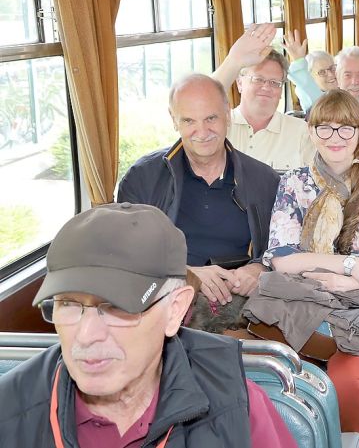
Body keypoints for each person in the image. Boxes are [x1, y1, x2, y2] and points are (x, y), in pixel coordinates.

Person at [0, 203, 297, 447]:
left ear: (175, 311)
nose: (87, 336)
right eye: (68, 304)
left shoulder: (238, 410)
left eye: (116, 307)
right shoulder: (9, 411)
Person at [263, 91, 359, 448]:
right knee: (268, 372)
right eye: (324, 128)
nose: (335, 139)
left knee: (349, 378)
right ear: (311, 133)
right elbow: (281, 257)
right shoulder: (294, 185)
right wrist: (351, 266)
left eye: (346, 129)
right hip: (303, 305)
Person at [117, 74, 280, 306]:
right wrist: (185, 274)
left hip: (244, 306)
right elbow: (123, 253)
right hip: (167, 300)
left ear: (228, 114)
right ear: (174, 120)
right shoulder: (143, 178)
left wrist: (260, 267)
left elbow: (284, 247)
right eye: (189, 121)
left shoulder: (265, 181)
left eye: (211, 118)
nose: (202, 132)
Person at [227, 48, 316, 171]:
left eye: (274, 83)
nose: (266, 87)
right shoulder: (221, 127)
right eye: (258, 79)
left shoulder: (302, 133)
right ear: (239, 83)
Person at [282, 29, 338, 111]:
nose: (331, 74)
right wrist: (298, 60)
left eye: (332, 68)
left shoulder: (344, 92)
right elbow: (305, 84)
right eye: (322, 72)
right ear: (310, 77)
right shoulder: (314, 99)